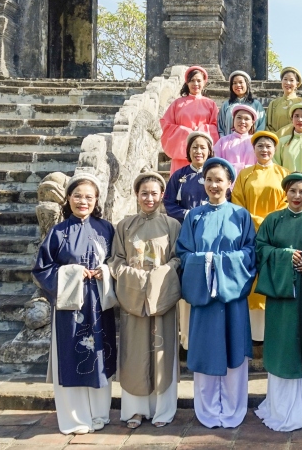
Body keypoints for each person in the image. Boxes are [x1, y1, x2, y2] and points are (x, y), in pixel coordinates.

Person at [32, 176, 118, 435]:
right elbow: (41, 270)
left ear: (96, 200)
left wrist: (106, 270)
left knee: (100, 356)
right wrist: (73, 272)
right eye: (78, 196)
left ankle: (99, 413)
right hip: (71, 307)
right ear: (68, 198)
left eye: (89, 197)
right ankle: (75, 418)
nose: (83, 201)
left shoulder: (106, 229)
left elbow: (118, 260)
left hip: (99, 303)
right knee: (73, 356)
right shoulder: (59, 232)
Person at [176, 158, 257, 429]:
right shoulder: (194, 217)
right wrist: (206, 263)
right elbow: (183, 253)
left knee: (235, 351)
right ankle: (208, 410)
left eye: (219, 180)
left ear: (229, 183)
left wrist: (220, 264)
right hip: (204, 297)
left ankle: (233, 409)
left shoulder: (240, 215)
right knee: (206, 351)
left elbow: (249, 253)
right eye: (209, 180)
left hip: (232, 296)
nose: (213, 185)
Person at [110, 170, 182, 428]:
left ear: (162, 195)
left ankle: (163, 410)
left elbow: (177, 258)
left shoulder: (172, 225)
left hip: (162, 296)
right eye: (144, 193)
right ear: (136, 195)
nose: (149, 198)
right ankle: (136, 410)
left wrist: (158, 275)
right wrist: (135, 277)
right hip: (133, 296)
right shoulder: (124, 225)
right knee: (135, 353)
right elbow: (116, 260)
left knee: (162, 352)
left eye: (154, 193)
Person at [254, 173, 302, 431]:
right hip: (281, 295)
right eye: (292, 191)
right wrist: (284, 255)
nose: (297, 196)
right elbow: (260, 249)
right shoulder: (272, 220)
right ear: (285, 192)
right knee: (282, 346)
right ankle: (280, 407)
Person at [230, 130, 288, 341]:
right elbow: (237, 203)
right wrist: (255, 223)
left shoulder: (283, 173)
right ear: (253, 149)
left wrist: (268, 224)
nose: (264, 150)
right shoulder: (244, 175)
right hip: (249, 236)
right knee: (252, 283)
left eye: (268, 146)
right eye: (260, 146)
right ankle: (252, 337)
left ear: (275, 149)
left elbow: (287, 202)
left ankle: (272, 335)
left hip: (275, 236)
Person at [160, 66, 219, 173]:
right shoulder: (177, 104)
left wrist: (201, 130)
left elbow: (215, 126)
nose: (195, 84)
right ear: (187, 83)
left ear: (204, 82)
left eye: (199, 81)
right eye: (192, 80)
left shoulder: (211, 104)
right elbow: (166, 125)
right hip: (181, 152)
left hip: (202, 154)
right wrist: (184, 132)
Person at [163, 130, 214, 224]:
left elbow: (225, 200)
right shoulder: (179, 175)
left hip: (210, 224)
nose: (198, 151)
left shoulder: (215, 174)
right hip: (184, 225)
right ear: (189, 150)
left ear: (209, 151)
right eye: (194, 147)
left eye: (203, 148)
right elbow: (169, 203)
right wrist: (187, 214)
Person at [275, 103, 302, 174]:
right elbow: (276, 166)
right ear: (292, 119)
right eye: (296, 116)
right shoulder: (282, 142)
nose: (300, 119)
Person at [217, 70, 265, 137]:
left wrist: (254, 141)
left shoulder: (256, 105)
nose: (238, 85)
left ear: (247, 84)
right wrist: (224, 140)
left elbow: (261, 127)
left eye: (240, 82)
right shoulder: (226, 105)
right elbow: (221, 128)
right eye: (234, 83)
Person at [214, 105, 258, 176]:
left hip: (250, 179)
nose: (242, 121)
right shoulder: (223, 141)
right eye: (239, 117)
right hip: (228, 179)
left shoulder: (256, 142)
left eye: (246, 119)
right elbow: (215, 163)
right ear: (233, 119)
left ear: (252, 123)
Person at [266, 67, 302, 133]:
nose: (288, 83)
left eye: (291, 80)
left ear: (297, 84)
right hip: (276, 138)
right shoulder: (274, 104)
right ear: (281, 81)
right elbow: (268, 126)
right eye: (285, 79)